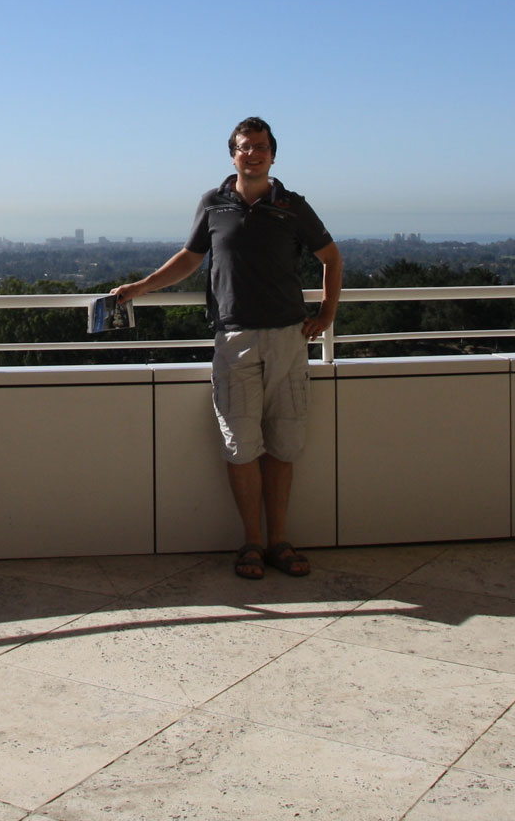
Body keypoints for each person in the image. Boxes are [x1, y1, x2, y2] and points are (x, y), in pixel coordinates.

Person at [110, 117, 342, 580]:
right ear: (232, 154)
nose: (252, 154)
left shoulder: (293, 206)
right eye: (243, 147)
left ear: (273, 154)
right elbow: (190, 259)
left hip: (288, 338)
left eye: (260, 147)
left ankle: (278, 541)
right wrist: (139, 287)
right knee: (241, 446)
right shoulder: (212, 204)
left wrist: (327, 315)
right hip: (234, 339)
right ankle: (251, 543)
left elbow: (331, 258)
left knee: (284, 446)